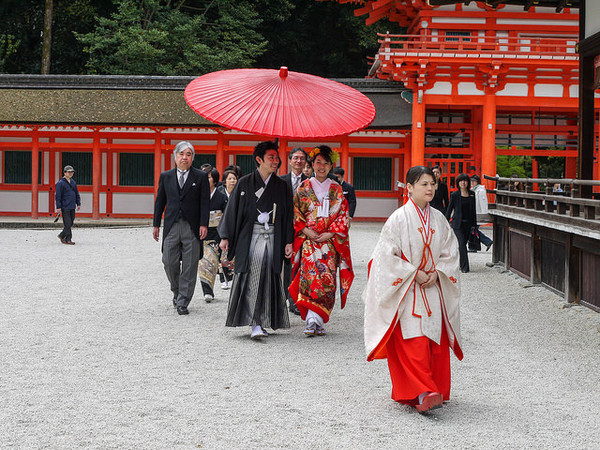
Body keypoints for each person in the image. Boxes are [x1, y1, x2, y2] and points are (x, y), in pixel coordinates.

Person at [363, 165, 463, 414]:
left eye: (432, 184)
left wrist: (437, 271)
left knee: (434, 342)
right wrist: (413, 273)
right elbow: (385, 257)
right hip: (408, 288)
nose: (430, 188)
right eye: (423, 184)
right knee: (413, 342)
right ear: (409, 188)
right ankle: (423, 392)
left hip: (432, 287)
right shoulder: (397, 218)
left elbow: (451, 252)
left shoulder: (439, 218)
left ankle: (435, 389)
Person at [218, 140, 293, 340]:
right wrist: (225, 236)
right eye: (271, 157)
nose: (276, 161)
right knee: (253, 278)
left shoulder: (282, 186)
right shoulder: (244, 183)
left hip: (274, 238)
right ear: (259, 160)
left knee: (269, 280)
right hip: (251, 238)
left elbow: (287, 215)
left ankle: (263, 320)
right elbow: (232, 211)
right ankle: (255, 322)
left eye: (277, 157)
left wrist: (288, 241)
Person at [289, 145, 354, 337]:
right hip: (309, 241)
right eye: (318, 162)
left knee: (327, 281)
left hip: (329, 243)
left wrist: (331, 234)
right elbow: (296, 213)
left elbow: (343, 215)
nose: (322, 166)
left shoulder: (337, 189)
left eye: (326, 163)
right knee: (309, 279)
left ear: (331, 166)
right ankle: (311, 320)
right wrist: (307, 230)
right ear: (312, 165)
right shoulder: (303, 187)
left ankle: (317, 319)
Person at [153, 141, 210, 315]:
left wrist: (203, 224)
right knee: (169, 262)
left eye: (188, 154)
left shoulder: (200, 177)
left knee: (190, 264)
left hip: (191, 226)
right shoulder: (166, 176)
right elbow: (160, 201)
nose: (184, 158)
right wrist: (156, 224)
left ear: (192, 158)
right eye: (181, 154)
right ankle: (177, 291)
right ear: (175, 156)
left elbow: (204, 202)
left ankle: (183, 301)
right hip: (171, 224)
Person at [280, 147, 309, 316]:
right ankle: (282, 297)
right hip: (284, 227)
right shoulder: (280, 181)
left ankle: (295, 300)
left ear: (305, 162)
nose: (299, 161)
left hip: (303, 230)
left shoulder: (310, 182)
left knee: (299, 265)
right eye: (295, 158)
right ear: (290, 161)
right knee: (284, 264)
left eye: (302, 158)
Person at [197, 168, 228, 303]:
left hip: (216, 233)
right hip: (200, 233)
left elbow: (226, 216)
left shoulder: (221, 197)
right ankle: (207, 291)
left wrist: (224, 235)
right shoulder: (198, 195)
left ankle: (209, 289)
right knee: (202, 263)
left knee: (211, 261)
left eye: (208, 178)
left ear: (214, 180)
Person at [445, 173, 477, 273]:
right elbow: (449, 209)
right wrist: (445, 222)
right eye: (461, 181)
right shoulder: (455, 195)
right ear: (458, 183)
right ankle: (465, 267)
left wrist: (474, 225)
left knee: (463, 245)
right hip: (457, 224)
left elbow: (473, 211)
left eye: (465, 181)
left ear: (468, 182)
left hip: (468, 224)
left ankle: (459, 262)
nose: (463, 183)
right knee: (462, 244)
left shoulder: (472, 194)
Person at [217, 168, 239, 289]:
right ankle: (222, 278)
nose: (232, 181)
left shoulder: (239, 193)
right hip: (221, 227)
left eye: (234, 179)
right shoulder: (220, 193)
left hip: (235, 227)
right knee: (222, 254)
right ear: (224, 181)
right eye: (229, 179)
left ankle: (232, 275)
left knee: (232, 253)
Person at [55, 165, 81, 245]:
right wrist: (58, 206)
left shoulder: (73, 182)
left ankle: (62, 235)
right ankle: (68, 239)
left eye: (72, 172)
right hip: (65, 205)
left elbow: (76, 193)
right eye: (69, 172)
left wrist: (78, 203)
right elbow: (58, 195)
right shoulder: (60, 183)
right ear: (65, 172)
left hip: (72, 205)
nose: (70, 173)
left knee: (71, 222)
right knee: (68, 223)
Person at [470, 175, 493, 252]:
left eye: (473, 181)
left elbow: (483, 203)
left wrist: (484, 215)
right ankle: (486, 242)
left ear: (477, 182)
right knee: (473, 230)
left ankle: (484, 243)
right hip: (473, 213)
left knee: (472, 230)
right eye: (471, 181)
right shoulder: (473, 190)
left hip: (478, 213)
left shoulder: (480, 191)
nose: (472, 182)